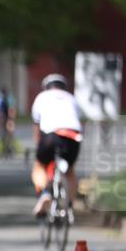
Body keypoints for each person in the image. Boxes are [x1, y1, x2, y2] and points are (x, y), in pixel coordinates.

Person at [30, 73, 83, 217]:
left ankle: (44, 194)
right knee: (70, 170)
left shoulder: (41, 98)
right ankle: (69, 206)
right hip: (73, 137)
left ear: (46, 87)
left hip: (51, 137)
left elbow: (37, 127)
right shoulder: (72, 99)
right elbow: (81, 122)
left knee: (39, 165)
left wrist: (38, 144)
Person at [0, 87, 17, 157]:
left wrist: (11, 119)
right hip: (3, 115)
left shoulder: (8, 97)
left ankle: (9, 145)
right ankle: (5, 144)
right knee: (6, 131)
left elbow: (11, 109)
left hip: (7, 115)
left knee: (9, 131)